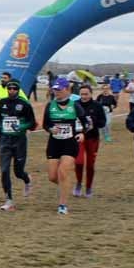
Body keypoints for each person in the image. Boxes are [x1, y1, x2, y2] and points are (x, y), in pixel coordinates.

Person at [42, 78, 88, 215]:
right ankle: (65, 186)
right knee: (52, 176)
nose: (56, 92)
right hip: (54, 143)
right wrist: (50, 129)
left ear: (67, 89)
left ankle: (63, 205)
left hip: (70, 142)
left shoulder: (75, 106)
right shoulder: (50, 106)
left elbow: (86, 123)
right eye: (55, 89)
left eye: (59, 89)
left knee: (63, 172)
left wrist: (82, 133)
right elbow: (45, 124)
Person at [0, 79, 35, 211]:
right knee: (4, 170)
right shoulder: (2, 102)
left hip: (19, 141)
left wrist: (21, 126)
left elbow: (32, 123)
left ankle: (27, 180)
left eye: (14, 89)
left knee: (18, 172)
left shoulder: (24, 104)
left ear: (18, 90)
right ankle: (9, 200)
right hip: (5, 140)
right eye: (9, 89)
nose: (12, 91)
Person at [73, 84, 106, 198]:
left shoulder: (97, 106)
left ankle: (88, 187)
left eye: (86, 94)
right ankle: (78, 183)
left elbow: (103, 123)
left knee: (90, 165)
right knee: (79, 162)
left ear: (91, 94)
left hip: (92, 138)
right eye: (82, 94)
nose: (84, 96)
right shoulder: (75, 104)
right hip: (79, 138)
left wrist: (93, 122)